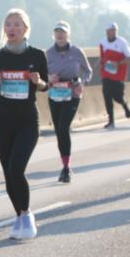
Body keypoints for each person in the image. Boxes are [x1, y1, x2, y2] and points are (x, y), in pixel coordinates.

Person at [0, 9, 49, 238]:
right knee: (8, 174)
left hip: (27, 120)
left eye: (17, 24)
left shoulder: (37, 55)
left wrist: (38, 81)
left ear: (26, 29)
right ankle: (19, 216)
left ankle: (27, 215)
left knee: (16, 169)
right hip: (3, 121)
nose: (12, 29)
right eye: (8, 24)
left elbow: (46, 86)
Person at [45, 21, 92, 182]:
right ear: (54, 34)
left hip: (72, 93)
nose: (60, 35)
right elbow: (41, 74)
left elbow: (88, 71)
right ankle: (65, 164)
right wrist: (49, 78)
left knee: (64, 127)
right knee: (59, 131)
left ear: (68, 34)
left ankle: (66, 168)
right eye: (57, 32)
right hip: (54, 94)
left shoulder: (77, 52)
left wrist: (82, 82)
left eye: (62, 32)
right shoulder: (49, 53)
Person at [98, 22, 130, 128]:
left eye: (113, 31)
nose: (111, 33)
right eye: (109, 31)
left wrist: (118, 63)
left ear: (116, 31)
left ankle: (124, 105)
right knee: (107, 95)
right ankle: (111, 120)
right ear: (106, 32)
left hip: (119, 74)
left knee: (118, 97)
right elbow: (102, 56)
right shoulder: (103, 42)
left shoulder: (122, 42)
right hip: (106, 73)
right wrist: (100, 63)